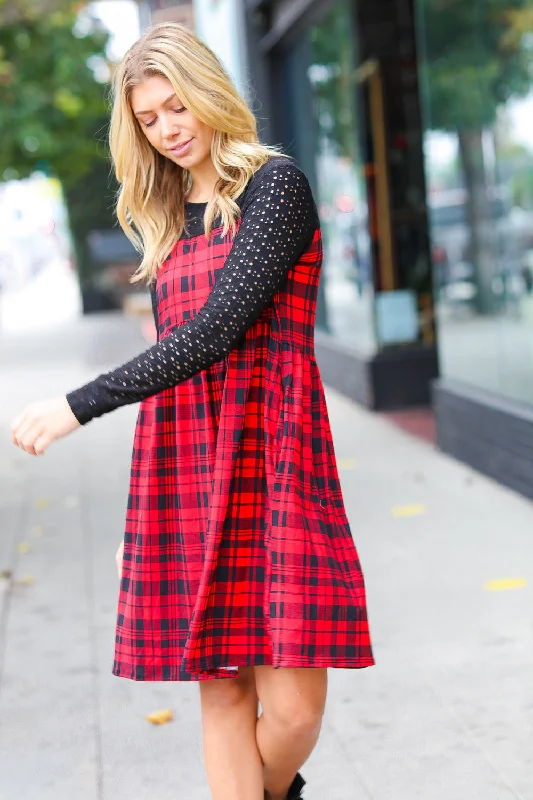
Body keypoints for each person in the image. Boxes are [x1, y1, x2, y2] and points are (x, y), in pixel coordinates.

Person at [10, 22, 374, 800]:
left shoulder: (275, 188)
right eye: (147, 118)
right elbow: (177, 365)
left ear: (210, 94)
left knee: (293, 709)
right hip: (183, 465)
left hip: (276, 458)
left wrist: (79, 404)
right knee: (222, 689)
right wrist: (137, 522)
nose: (168, 129)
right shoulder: (168, 219)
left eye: (177, 106)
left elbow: (215, 332)